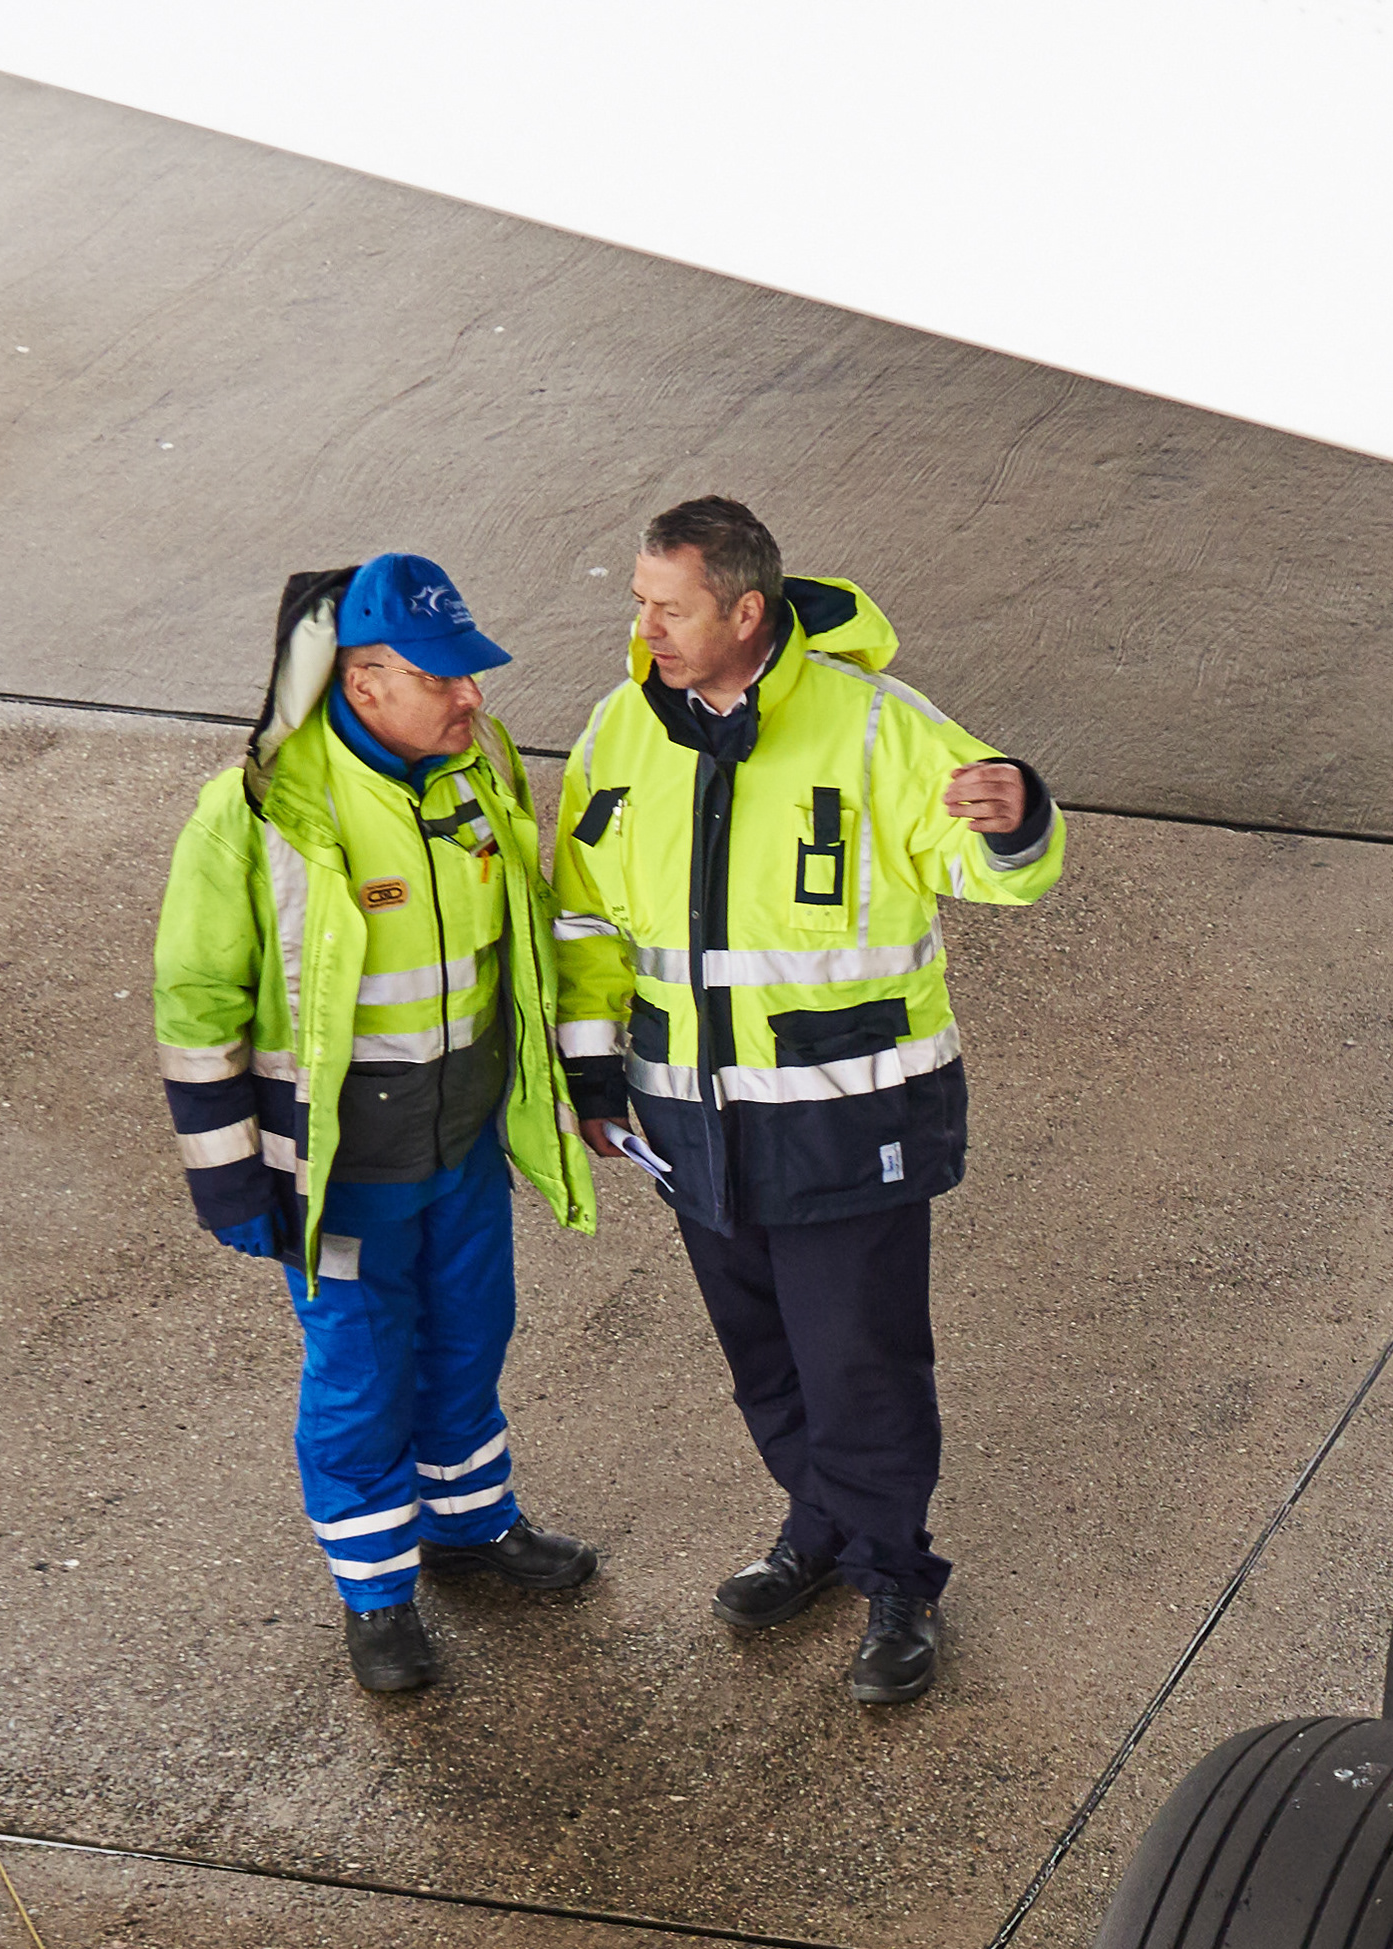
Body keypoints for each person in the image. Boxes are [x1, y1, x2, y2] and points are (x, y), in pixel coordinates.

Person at [552, 495, 1060, 1713]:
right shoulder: (622, 730)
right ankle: (821, 1526)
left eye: (667, 606)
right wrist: (588, 1070)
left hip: (849, 1116)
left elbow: (1000, 863)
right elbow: (582, 917)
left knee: (861, 1362)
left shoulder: (882, 726)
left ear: (744, 609)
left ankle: (896, 1581)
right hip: (690, 1120)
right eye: (640, 600)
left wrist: (1017, 817)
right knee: (765, 1358)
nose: (645, 625)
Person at [152, 553, 600, 1701]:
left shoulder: (468, 777)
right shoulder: (256, 815)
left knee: (470, 1336)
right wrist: (231, 1181)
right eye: (444, 678)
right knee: (359, 1374)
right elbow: (197, 1006)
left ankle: (469, 1525)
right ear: (363, 682)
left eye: (471, 674)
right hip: (340, 1175)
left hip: (458, 1153)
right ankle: (377, 1595)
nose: (473, 700)